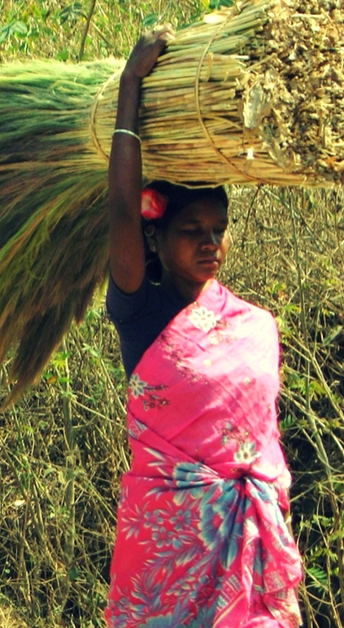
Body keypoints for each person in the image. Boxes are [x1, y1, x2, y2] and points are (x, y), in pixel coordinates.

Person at [103, 27, 303, 627]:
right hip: (167, 542)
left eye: (219, 229)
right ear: (155, 240)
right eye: (193, 230)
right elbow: (120, 203)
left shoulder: (252, 325)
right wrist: (130, 86)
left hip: (249, 537)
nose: (211, 242)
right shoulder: (143, 310)